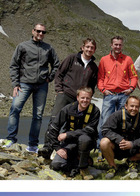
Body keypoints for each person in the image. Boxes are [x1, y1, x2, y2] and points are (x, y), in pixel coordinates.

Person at [39, 38, 99, 159]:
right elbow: (59, 73)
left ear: (94, 50)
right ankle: (48, 147)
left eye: (92, 48)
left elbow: (92, 84)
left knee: (76, 124)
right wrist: (59, 90)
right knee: (55, 120)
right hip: (66, 94)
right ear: (82, 47)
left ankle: (72, 150)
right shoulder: (72, 58)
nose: (89, 49)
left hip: (81, 99)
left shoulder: (93, 67)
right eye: (87, 47)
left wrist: (88, 96)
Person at [4, 23, 60, 152]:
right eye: (38, 31)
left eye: (43, 32)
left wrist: (50, 77)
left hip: (41, 85)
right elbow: (14, 65)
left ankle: (33, 144)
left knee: (38, 115)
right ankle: (11, 138)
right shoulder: (23, 46)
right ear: (33, 31)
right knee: (15, 109)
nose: (41, 34)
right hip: (24, 83)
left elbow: (56, 64)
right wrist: (15, 84)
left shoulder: (48, 48)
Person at [49, 87, 100, 180]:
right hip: (70, 142)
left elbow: (89, 130)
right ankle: (79, 160)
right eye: (82, 98)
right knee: (56, 165)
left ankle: (83, 167)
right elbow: (53, 128)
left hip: (87, 141)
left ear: (91, 98)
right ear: (77, 97)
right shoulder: (68, 108)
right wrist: (57, 148)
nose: (85, 100)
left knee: (84, 139)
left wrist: (68, 134)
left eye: (87, 98)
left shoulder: (95, 111)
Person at [100, 96, 140, 179]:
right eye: (132, 106)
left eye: (136, 106)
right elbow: (105, 129)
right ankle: (112, 166)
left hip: (134, 148)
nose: (134, 109)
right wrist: (119, 139)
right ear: (126, 106)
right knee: (104, 142)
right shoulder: (116, 115)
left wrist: (132, 144)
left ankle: (132, 160)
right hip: (117, 147)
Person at [97, 35, 138, 144]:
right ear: (111, 45)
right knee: (105, 120)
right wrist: (103, 89)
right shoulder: (104, 60)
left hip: (123, 95)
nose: (118, 47)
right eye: (115, 44)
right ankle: (102, 146)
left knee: (123, 121)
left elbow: (134, 76)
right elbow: (100, 77)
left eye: (120, 45)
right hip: (109, 94)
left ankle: (121, 145)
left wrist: (131, 88)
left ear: (122, 46)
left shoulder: (128, 59)